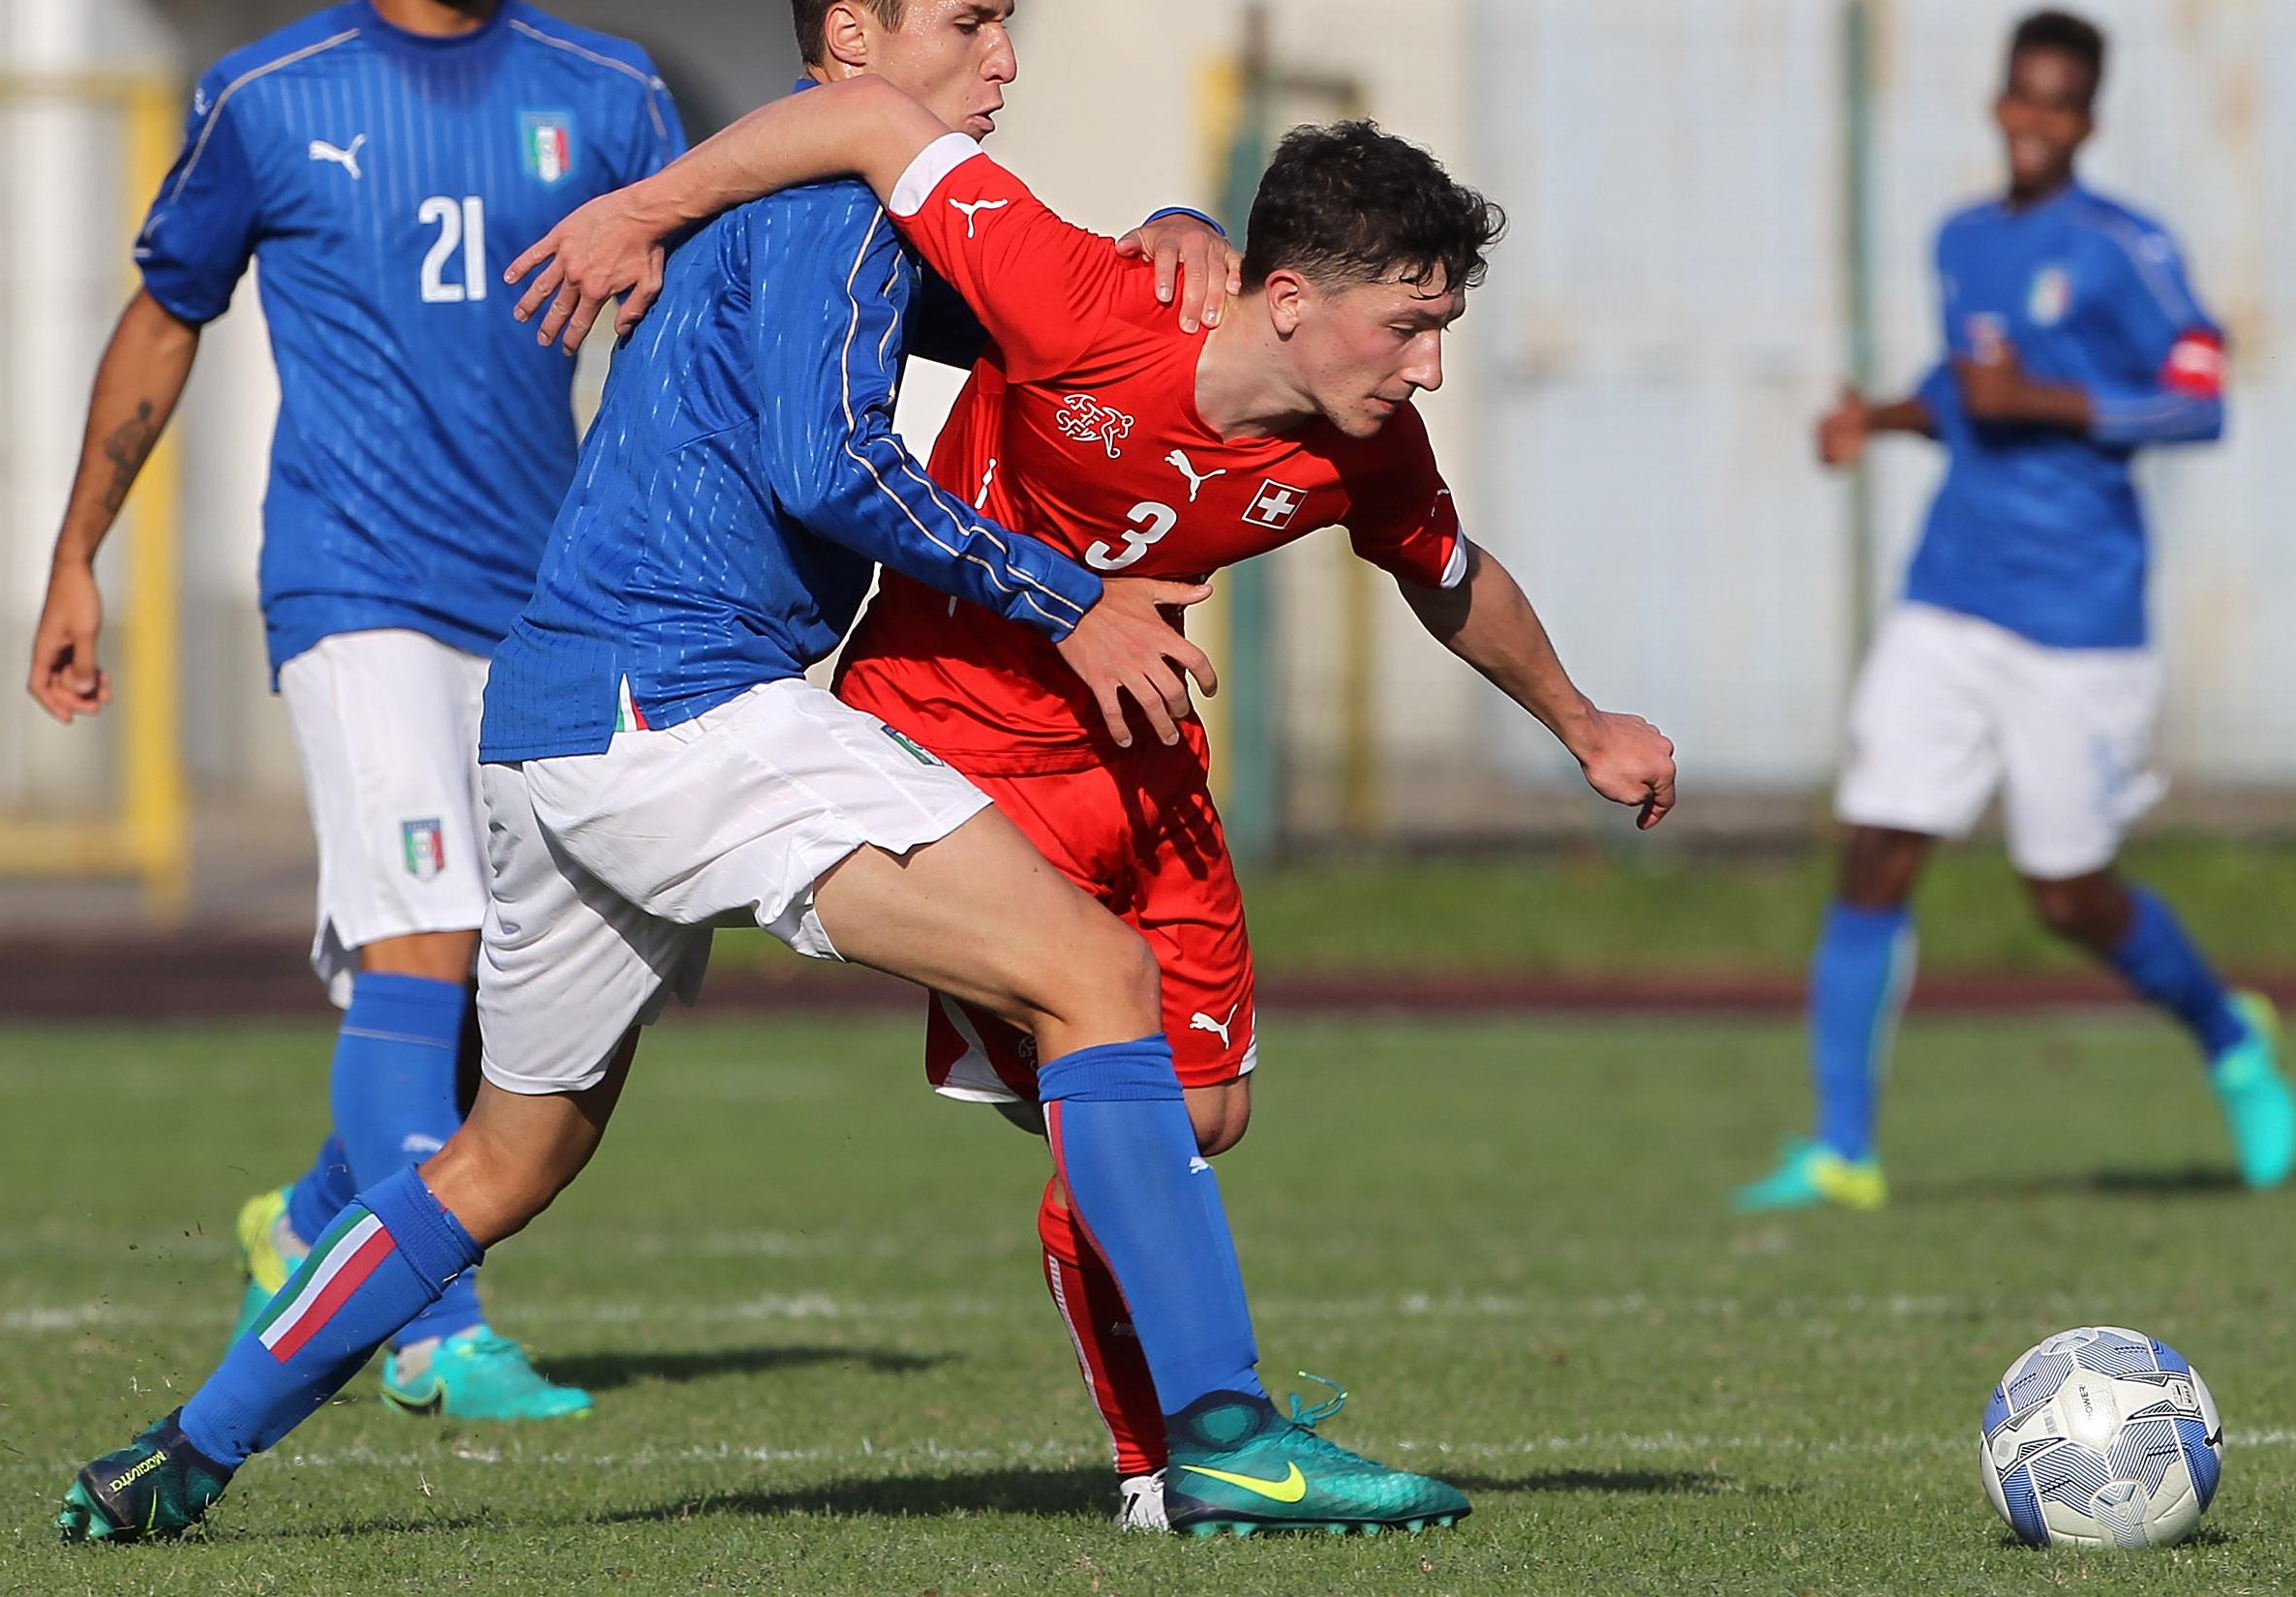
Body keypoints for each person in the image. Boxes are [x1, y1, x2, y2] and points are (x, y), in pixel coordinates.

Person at [56, 0, 1470, 1545]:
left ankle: (180, 1453)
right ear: (858, 40)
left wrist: (1169, 232)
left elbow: (1048, 322)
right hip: (681, 705)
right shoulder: (830, 210)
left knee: (503, 1160)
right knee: (1098, 973)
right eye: (974, 21)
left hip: (557, 720)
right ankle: (1224, 1431)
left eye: (1008, 19)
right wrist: (1066, 595)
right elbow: (834, 465)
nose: (1005, 57)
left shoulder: (832, 209)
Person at [511, 75, 1678, 1529]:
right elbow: (872, 120)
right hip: (958, 735)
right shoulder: (1084, 301)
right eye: (1409, 328)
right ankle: (1171, 1462)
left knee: (1206, 1107)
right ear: (1293, 297)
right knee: (1109, 1042)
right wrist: (637, 211)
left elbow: (1448, 575)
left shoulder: (1359, 443)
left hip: (1140, 762)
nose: (1429, 371)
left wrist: (1581, 723)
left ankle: (1186, 1440)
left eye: (1441, 331)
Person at [25, 0, 682, 1420]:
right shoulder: (268, 97)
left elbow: (690, 340)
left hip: (543, 605)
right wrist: (77, 553)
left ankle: (308, 1219)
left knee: (489, 1011)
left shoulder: (607, 97)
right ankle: (431, 1325)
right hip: (352, 584)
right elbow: (166, 317)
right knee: (425, 944)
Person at [1733, 9, 2296, 1213]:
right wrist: (1879, 419)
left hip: (2080, 616)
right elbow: (1967, 389)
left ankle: (2227, 1032)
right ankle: (1845, 1148)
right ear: (1998, 103)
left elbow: (2198, 405)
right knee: (1879, 846)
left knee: (2067, 893)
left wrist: (2047, 397)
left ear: (2088, 120)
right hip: (1951, 589)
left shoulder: (2127, 248)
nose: (2035, 121)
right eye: (2020, 98)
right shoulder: (1960, 240)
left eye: (2061, 104)